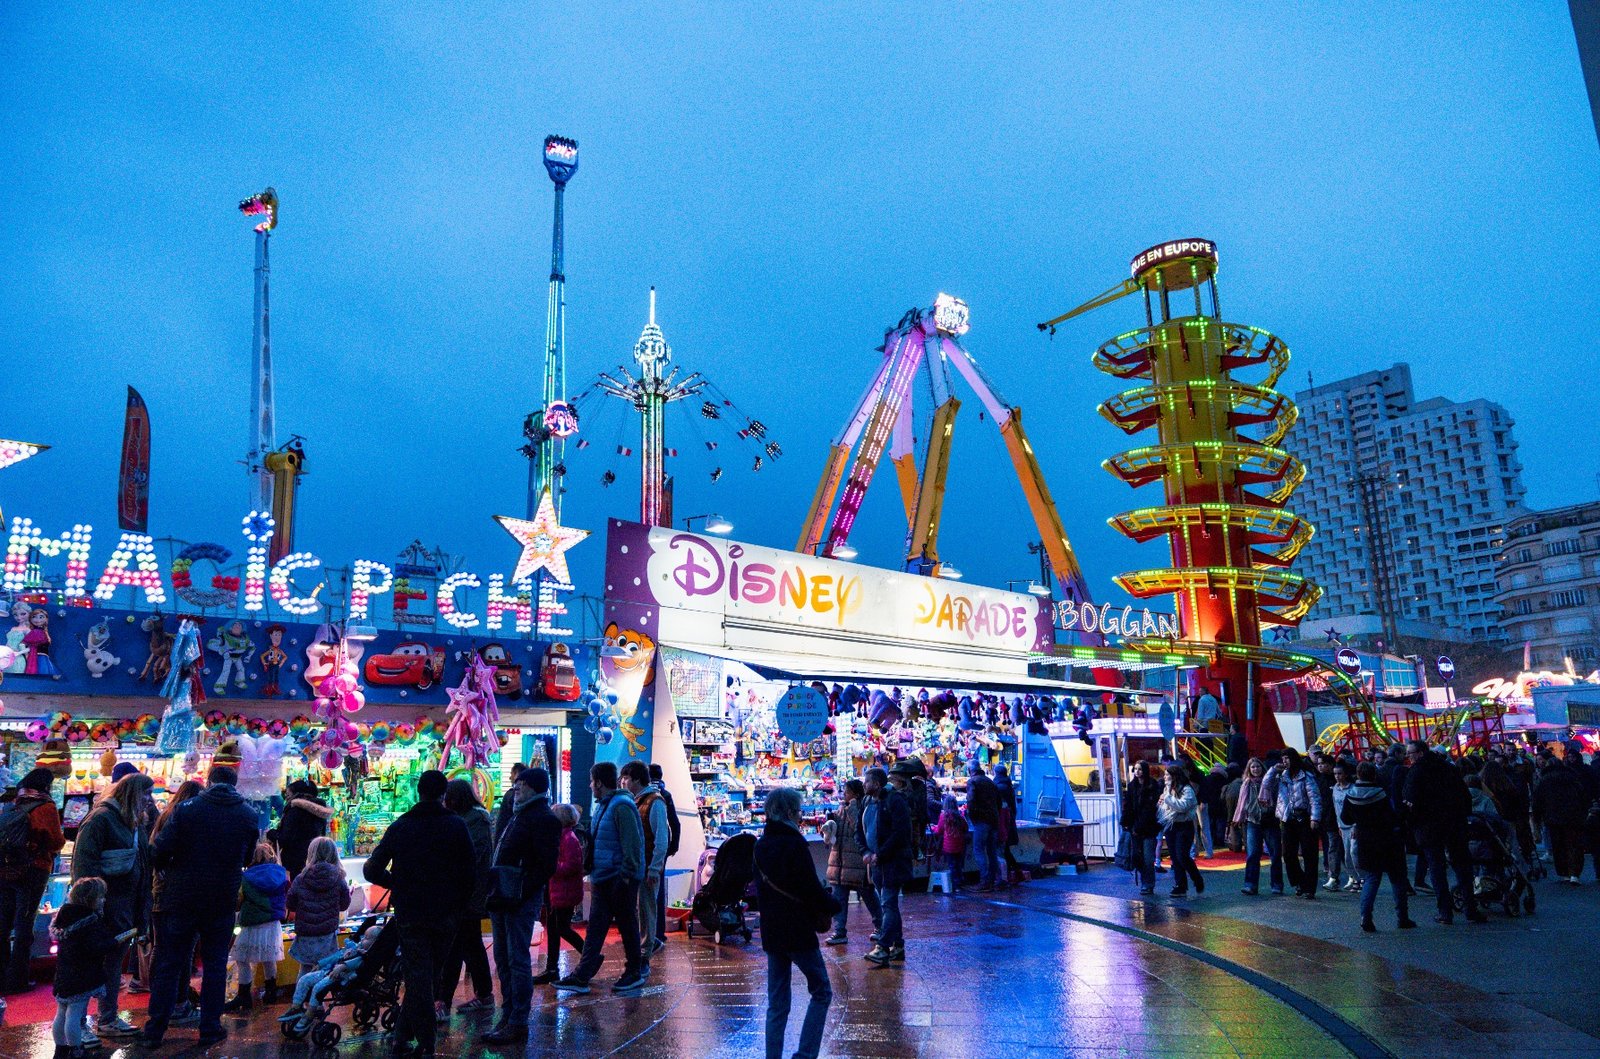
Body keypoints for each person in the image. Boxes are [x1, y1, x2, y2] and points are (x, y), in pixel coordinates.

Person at [141, 765, 260, 1049]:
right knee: (215, 964)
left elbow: (161, 849)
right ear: (234, 784)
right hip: (222, 898)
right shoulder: (247, 814)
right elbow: (248, 857)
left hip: (181, 897)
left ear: (209, 782)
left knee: (171, 962)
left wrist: (169, 869)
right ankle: (210, 1028)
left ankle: (155, 1029)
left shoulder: (187, 809)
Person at [363, 770, 475, 1057]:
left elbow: (371, 869)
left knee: (419, 976)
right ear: (443, 795)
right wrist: (459, 903)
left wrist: (396, 883)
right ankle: (416, 1039)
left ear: (418, 792)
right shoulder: (456, 826)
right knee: (429, 975)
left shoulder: (401, 826)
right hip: (446, 913)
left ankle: (416, 1039)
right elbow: (470, 872)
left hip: (411, 912)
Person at [755, 787, 841, 1059]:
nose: (801, 816)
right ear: (790, 812)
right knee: (821, 990)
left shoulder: (760, 845)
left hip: (772, 931)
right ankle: (805, 1055)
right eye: (799, 811)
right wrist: (833, 905)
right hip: (797, 929)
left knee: (777, 1002)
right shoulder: (795, 844)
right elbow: (810, 888)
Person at [69, 771, 152, 1037]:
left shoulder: (131, 821)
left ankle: (106, 1018)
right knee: (91, 966)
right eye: (146, 794)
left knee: (112, 964)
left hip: (124, 906)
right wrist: (91, 905)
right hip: (105, 908)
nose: (149, 800)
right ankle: (79, 1024)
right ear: (132, 794)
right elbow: (83, 867)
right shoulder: (102, 819)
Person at [483, 767, 560, 1044]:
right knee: (503, 958)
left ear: (534, 787)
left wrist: (521, 889)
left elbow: (546, 865)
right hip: (502, 896)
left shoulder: (543, 818)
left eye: (521, 784)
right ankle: (507, 1014)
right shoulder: (518, 812)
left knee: (517, 959)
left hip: (518, 899)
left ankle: (518, 1020)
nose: (516, 788)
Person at [555, 762, 646, 996]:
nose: (589, 785)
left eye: (591, 781)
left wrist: (625, 878)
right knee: (596, 928)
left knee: (627, 925)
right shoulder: (605, 806)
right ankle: (582, 975)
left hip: (618, 879)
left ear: (599, 782)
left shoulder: (621, 806)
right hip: (604, 878)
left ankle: (634, 971)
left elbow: (632, 846)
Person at [1403, 740, 1485, 924]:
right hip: (1454, 823)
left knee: (1436, 868)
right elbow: (1464, 795)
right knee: (1462, 866)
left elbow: (1409, 801)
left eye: (1410, 753)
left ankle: (1445, 911)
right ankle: (1470, 908)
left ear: (1420, 753)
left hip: (1429, 826)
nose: (1408, 757)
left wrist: (1413, 822)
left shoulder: (1416, 772)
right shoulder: (1448, 768)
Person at [0, 767, 66, 994]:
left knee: (3, 923)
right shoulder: (46, 807)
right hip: (33, 870)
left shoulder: (14, 803)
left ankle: (2, 976)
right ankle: (18, 979)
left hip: (7, 869)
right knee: (24, 925)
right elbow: (56, 841)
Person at [52, 877, 133, 1059]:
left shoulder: (65, 917)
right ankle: (76, 1050)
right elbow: (94, 948)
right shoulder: (89, 921)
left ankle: (60, 1049)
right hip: (82, 977)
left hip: (63, 975)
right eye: (101, 897)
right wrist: (114, 942)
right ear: (90, 899)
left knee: (61, 1013)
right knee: (74, 1015)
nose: (103, 900)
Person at [144, 780, 203, 1027]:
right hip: (180, 892)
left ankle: (159, 1000)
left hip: (160, 890)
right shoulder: (185, 820)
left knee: (162, 947)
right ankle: (178, 1003)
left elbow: (155, 851)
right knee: (183, 949)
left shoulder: (165, 816)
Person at [437, 778, 495, 1021]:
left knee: (456, 946)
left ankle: (443, 1001)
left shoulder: (473, 821)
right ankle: (485, 994)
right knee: (471, 944)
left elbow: (471, 858)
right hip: (468, 893)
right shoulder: (472, 819)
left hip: (467, 894)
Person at [1341, 761, 1416, 933]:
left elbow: (1346, 819)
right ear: (1374, 775)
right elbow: (1393, 816)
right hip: (1388, 840)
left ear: (1358, 775)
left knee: (1371, 879)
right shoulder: (1381, 794)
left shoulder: (1351, 795)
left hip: (1365, 841)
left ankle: (1366, 917)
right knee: (1397, 879)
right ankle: (1402, 917)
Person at [278, 919, 385, 1033]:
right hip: (328, 971)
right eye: (363, 936)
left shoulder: (365, 956)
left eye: (367, 938)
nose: (362, 939)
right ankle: (296, 1007)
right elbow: (336, 956)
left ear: (375, 943)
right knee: (304, 979)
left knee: (318, 988)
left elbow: (356, 962)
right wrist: (320, 963)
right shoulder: (354, 947)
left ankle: (310, 1014)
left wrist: (343, 966)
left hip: (341, 978)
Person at [857, 766, 911, 967]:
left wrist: (880, 854)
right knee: (889, 905)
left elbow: (900, 833)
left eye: (867, 781)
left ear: (877, 784)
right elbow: (859, 830)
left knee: (888, 903)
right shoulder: (867, 802)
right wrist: (865, 851)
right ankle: (898, 945)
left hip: (892, 863)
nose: (864, 785)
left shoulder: (894, 801)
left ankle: (883, 947)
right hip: (876, 863)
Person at [224, 842, 287, 1012]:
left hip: (252, 923)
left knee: (242, 958)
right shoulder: (281, 874)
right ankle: (271, 992)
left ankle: (244, 995)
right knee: (269, 958)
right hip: (273, 923)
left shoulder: (246, 877)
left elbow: (239, 899)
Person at [620, 761, 668, 976]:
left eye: (626, 778)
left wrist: (654, 868)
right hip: (637, 866)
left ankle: (645, 953)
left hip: (647, 866)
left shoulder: (655, 802)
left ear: (637, 779)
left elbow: (661, 839)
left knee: (647, 910)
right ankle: (645, 946)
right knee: (640, 909)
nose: (623, 782)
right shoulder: (634, 801)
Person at [822, 780, 880, 946]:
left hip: (857, 863)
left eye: (847, 792)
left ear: (855, 794)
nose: (844, 795)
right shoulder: (842, 809)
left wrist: (853, 807)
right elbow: (836, 833)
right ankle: (839, 931)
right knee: (839, 899)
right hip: (839, 863)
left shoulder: (863, 808)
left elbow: (859, 828)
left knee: (869, 897)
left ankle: (880, 926)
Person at [535, 803, 586, 985]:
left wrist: (552, 867)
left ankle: (589, 956)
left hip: (564, 892)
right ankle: (551, 968)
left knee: (561, 928)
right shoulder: (563, 837)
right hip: (558, 891)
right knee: (555, 929)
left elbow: (572, 866)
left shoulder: (568, 839)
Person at [285, 837, 349, 972]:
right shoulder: (339, 878)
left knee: (305, 968)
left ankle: (303, 987)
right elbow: (344, 905)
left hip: (306, 933)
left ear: (311, 853)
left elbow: (290, 904)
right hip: (327, 933)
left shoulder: (301, 878)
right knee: (326, 969)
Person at [1531, 752, 1590, 884]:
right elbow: (1583, 796)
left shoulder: (1545, 780)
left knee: (1559, 846)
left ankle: (1564, 873)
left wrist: (1537, 818)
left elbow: (1538, 800)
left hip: (1553, 817)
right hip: (1573, 816)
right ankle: (1575, 873)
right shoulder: (1572, 777)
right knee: (1574, 844)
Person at [1271, 748, 1321, 899]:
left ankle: (1309, 888)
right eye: (1283, 759)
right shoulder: (1282, 776)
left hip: (1305, 817)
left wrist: (1315, 818)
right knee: (1288, 854)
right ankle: (1299, 881)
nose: (1284, 761)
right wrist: (1273, 770)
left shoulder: (1306, 776)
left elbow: (1314, 798)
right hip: (1288, 818)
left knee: (1309, 854)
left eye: (1287, 758)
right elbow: (1266, 784)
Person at [647, 763, 680, 949]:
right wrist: (673, 845)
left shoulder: (646, 795)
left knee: (647, 890)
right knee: (658, 890)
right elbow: (675, 823)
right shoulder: (665, 794)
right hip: (663, 846)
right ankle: (659, 932)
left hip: (648, 845)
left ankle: (648, 932)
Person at [1158, 766, 1204, 897]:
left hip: (1184, 825)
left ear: (1174, 776)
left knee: (1182, 855)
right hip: (1170, 825)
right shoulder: (1167, 789)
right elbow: (1165, 808)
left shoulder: (1186, 789)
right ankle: (1180, 885)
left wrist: (1167, 798)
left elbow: (1183, 806)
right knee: (1174, 857)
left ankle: (1197, 878)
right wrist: (1161, 802)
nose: (1164, 777)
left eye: (1167, 775)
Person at [1235, 758, 1278, 895]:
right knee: (1253, 854)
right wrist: (1240, 817)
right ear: (1249, 769)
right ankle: (1250, 885)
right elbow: (1241, 803)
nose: (1255, 769)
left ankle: (1276, 884)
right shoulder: (1246, 784)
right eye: (1252, 767)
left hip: (1270, 820)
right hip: (1253, 821)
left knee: (1275, 854)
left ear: (1262, 768)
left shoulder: (1271, 781)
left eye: (1257, 766)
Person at [1121, 761, 1164, 896]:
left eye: (1140, 769)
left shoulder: (1152, 785)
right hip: (1135, 827)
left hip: (1148, 827)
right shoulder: (1132, 786)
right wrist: (1125, 821)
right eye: (1135, 769)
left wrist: (1137, 825)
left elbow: (1150, 809)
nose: (1137, 771)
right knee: (1137, 857)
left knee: (1147, 857)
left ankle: (1148, 884)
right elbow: (1128, 805)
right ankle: (1145, 881)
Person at [275, 779, 331, 879]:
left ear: (297, 794)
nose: (286, 798)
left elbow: (285, 838)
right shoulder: (321, 811)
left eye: (288, 795)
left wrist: (272, 834)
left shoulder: (294, 811)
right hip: (315, 859)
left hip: (295, 863)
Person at [964, 762, 1002, 892]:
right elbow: (999, 802)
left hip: (981, 820)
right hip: (993, 820)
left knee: (979, 849)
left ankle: (984, 881)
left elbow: (970, 800)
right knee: (992, 851)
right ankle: (995, 879)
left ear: (970, 770)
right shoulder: (990, 781)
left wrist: (971, 816)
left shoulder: (972, 782)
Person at [1330, 760, 1360, 892]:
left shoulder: (1353, 789)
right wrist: (1338, 825)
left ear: (1345, 774)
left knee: (1354, 853)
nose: (1337, 776)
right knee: (1347, 855)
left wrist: (1355, 825)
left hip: (1353, 826)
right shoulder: (1335, 788)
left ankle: (1361, 878)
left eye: (1339, 773)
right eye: (1335, 774)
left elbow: (1356, 809)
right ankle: (1355, 879)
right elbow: (1336, 808)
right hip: (1342, 826)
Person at [931, 794, 969, 889]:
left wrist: (933, 828)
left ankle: (955, 885)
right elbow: (966, 828)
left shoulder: (944, 816)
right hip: (960, 844)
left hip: (949, 846)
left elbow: (939, 831)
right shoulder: (960, 815)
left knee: (952, 865)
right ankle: (961, 881)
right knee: (958, 864)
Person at [994, 765, 1022, 883]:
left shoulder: (999, 787)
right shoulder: (1008, 785)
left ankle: (1006, 876)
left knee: (1002, 850)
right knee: (1005, 850)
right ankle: (1015, 873)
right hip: (1008, 822)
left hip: (1002, 823)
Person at [494, 762, 527, 843]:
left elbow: (503, 820)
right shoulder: (527, 796)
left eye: (511, 774)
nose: (510, 777)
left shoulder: (511, 795)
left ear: (516, 774)